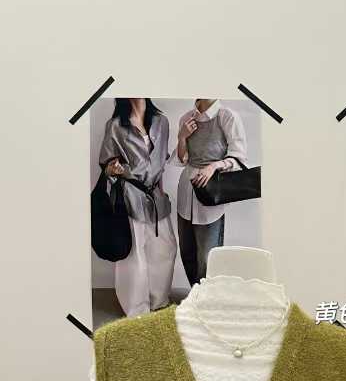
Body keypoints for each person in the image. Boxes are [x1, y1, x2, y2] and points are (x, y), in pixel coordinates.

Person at [98, 98, 176, 318]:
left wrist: (162, 192)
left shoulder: (162, 122)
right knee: (135, 256)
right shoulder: (115, 125)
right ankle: (136, 308)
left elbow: (161, 161)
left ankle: (158, 301)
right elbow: (106, 165)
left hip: (156, 195)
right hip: (130, 195)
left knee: (165, 248)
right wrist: (112, 169)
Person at [175, 98, 251, 286]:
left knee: (208, 257)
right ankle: (196, 294)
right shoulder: (186, 118)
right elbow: (183, 159)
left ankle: (207, 298)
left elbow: (239, 157)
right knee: (187, 251)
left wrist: (214, 166)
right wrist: (182, 137)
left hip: (211, 193)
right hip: (186, 192)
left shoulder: (227, 116)